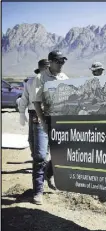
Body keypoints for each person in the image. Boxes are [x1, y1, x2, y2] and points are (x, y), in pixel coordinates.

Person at [32, 50, 69, 205]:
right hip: (44, 120)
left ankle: (49, 173)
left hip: (60, 121)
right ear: (51, 62)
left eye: (63, 62)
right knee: (40, 156)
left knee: (61, 154)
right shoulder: (40, 78)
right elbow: (36, 102)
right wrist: (43, 122)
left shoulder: (64, 78)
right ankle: (38, 191)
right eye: (58, 62)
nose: (61, 65)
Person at [18, 59, 50, 171]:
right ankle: (38, 160)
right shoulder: (30, 82)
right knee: (31, 139)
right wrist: (22, 112)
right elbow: (24, 98)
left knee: (43, 140)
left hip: (46, 114)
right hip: (33, 113)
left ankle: (43, 162)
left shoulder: (52, 82)